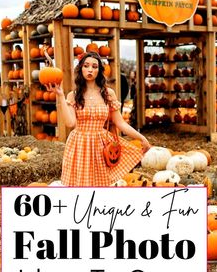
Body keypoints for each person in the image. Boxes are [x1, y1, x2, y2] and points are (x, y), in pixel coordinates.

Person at [46, 52, 151, 187]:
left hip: (101, 145)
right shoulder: (74, 95)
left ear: (99, 70)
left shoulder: (108, 94)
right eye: (86, 66)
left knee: (101, 185)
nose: (90, 70)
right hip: (79, 144)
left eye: (95, 66)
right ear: (81, 69)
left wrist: (142, 138)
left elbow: (120, 123)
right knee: (81, 186)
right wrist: (60, 96)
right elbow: (70, 123)